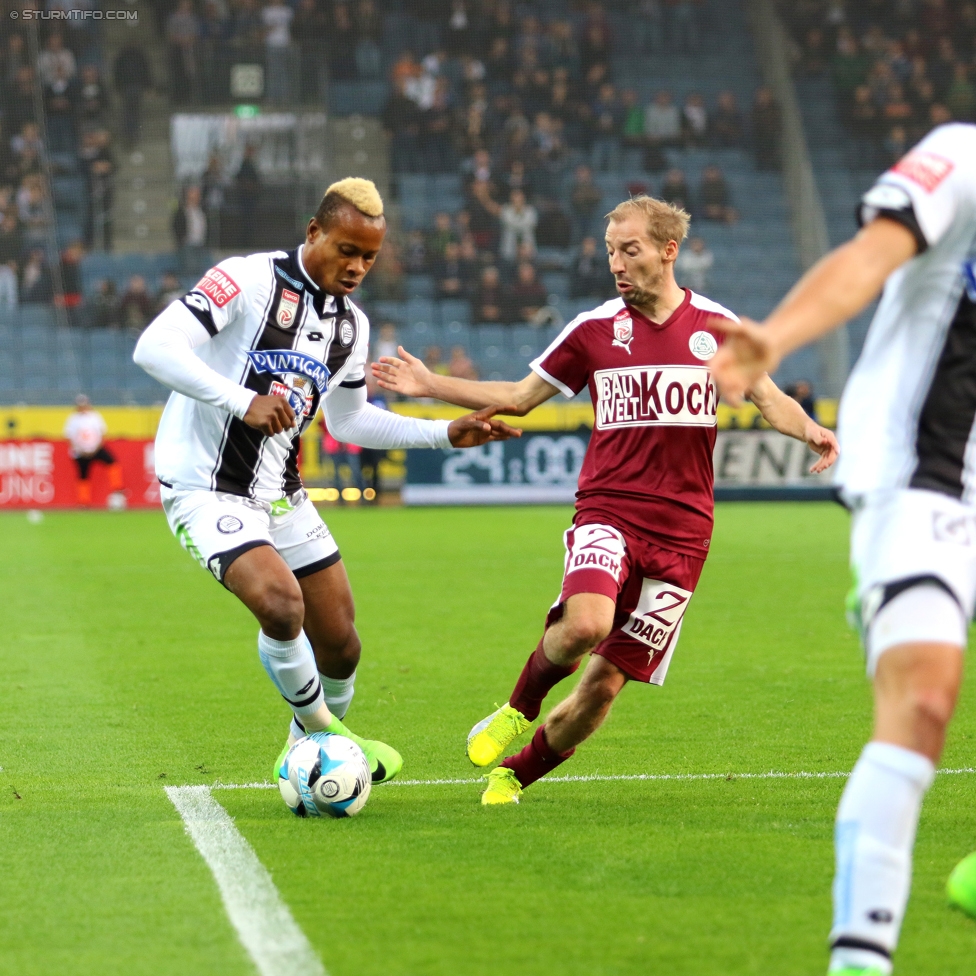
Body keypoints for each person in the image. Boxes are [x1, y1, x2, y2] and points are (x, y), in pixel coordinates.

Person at [372, 195, 838, 805]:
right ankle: (517, 708)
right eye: (611, 250)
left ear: (669, 252)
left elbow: (771, 399)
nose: (616, 262)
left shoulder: (718, 329)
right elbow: (517, 396)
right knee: (585, 624)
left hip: (684, 536)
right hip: (609, 510)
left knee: (603, 689)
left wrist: (811, 429)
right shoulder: (593, 331)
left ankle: (516, 773)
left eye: (630, 249)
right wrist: (431, 385)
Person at [133, 178, 518, 788]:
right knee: (281, 606)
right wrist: (242, 400)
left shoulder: (351, 327)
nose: (357, 266)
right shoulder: (247, 279)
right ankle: (330, 736)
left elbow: (350, 420)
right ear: (314, 231)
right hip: (204, 487)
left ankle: (302, 755)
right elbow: (153, 348)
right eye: (346, 249)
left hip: (280, 495)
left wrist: (445, 433)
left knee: (341, 646)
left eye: (369, 256)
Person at [708, 121, 976, 975]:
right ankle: (861, 959)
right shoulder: (962, 156)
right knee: (925, 700)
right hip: (922, 473)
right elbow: (868, 258)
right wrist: (776, 338)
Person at [64, 395, 124, 507]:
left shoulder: (95, 416)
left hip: (96, 449)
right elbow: (69, 437)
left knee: (112, 463)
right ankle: (83, 501)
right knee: (83, 476)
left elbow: (101, 433)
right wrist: (79, 449)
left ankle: (117, 488)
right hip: (80, 452)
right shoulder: (73, 419)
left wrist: (96, 448)